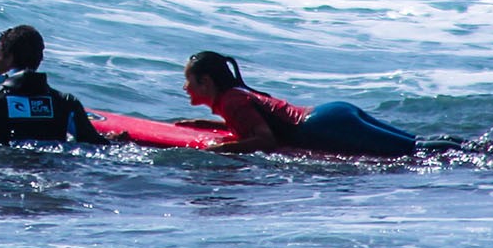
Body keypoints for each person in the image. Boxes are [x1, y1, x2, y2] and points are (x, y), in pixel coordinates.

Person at [177, 51, 466, 156]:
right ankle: (472, 147)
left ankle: (488, 156)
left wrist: (218, 149)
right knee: (415, 143)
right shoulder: (236, 96)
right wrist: (205, 125)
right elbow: (257, 126)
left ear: (206, 83)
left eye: (189, 80)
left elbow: (263, 140)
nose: (185, 87)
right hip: (332, 112)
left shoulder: (232, 101)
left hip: (325, 125)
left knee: (412, 152)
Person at [0, 25, 109, 146]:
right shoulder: (67, 103)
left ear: (9, 57)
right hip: (52, 173)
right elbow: (95, 143)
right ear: (41, 57)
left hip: (3, 171)